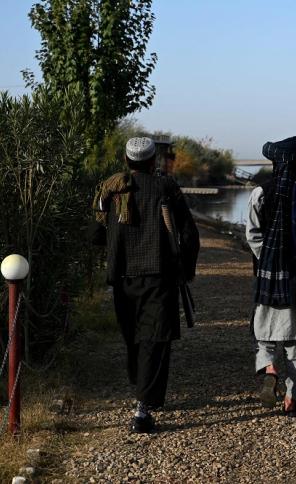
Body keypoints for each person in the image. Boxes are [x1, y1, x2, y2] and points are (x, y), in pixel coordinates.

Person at [91, 137, 199, 432]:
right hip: (160, 277)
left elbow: (96, 235)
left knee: (134, 337)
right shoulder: (166, 187)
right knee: (155, 339)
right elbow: (189, 234)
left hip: (123, 278)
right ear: (153, 161)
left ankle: (143, 390)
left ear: (127, 161)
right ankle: (143, 408)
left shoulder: (111, 189)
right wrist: (187, 270)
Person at [246, 136, 296, 417]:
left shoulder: (261, 192)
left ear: (275, 162)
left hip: (268, 275)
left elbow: (252, 234)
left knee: (264, 331)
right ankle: (292, 399)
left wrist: (270, 260)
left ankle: (269, 367)